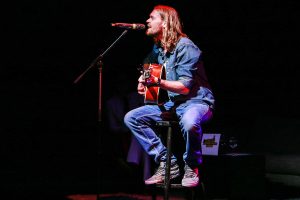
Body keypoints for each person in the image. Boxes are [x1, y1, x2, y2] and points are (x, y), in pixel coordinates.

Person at [124, 5, 215, 187]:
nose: (147, 21)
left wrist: (156, 82)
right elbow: (148, 65)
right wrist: (143, 79)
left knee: (190, 122)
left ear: (165, 22)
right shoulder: (159, 49)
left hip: (196, 102)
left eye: (151, 17)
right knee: (132, 117)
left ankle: (191, 166)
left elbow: (184, 88)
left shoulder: (186, 46)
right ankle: (167, 162)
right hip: (174, 103)